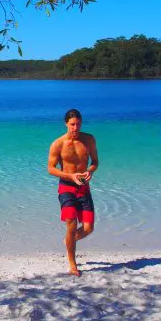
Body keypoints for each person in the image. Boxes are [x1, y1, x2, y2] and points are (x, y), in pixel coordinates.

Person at [48, 108, 99, 276]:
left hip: (83, 186)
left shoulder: (89, 139)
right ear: (66, 124)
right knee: (71, 223)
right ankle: (72, 264)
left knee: (89, 228)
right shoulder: (58, 144)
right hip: (67, 186)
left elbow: (95, 161)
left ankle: (69, 241)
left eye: (78, 124)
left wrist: (90, 171)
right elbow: (50, 169)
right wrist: (70, 175)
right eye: (72, 125)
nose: (75, 128)